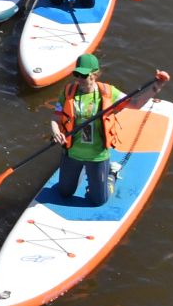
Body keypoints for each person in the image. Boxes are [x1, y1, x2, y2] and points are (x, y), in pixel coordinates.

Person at [48, 53, 127, 207]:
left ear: (94, 75)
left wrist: (156, 86)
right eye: (76, 74)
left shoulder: (108, 92)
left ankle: (111, 174)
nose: (78, 79)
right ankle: (83, 171)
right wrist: (56, 132)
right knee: (64, 193)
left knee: (98, 200)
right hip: (72, 152)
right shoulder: (68, 92)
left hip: (97, 155)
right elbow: (55, 119)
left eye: (82, 75)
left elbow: (136, 103)